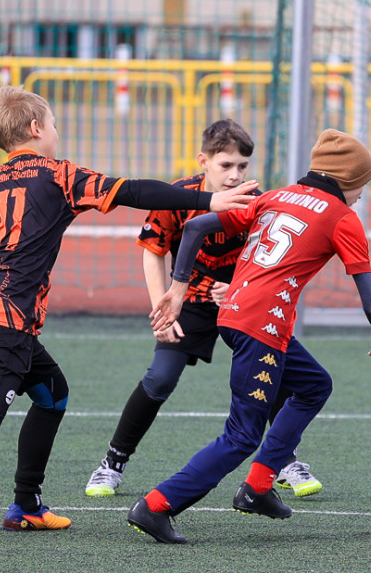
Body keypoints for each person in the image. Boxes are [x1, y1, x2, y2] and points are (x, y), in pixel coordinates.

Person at [0, 86, 258, 539]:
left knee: (52, 394)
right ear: (36, 128)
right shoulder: (59, 175)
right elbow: (134, 190)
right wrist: (207, 201)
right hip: (5, 316)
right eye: (55, 124)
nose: (58, 132)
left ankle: (26, 504)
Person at [126, 129, 371, 543]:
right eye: (362, 185)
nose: (361, 195)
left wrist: (179, 287)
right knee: (241, 435)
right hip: (261, 327)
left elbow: (198, 225)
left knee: (313, 385)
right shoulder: (343, 217)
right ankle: (156, 505)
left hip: (234, 315)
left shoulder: (276, 196)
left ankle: (257, 487)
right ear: (348, 180)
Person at [85, 119, 322, 499]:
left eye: (242, 166)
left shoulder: (256, 199)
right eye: (226, 165)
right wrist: (162, 309)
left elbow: (266, 260)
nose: (235, 175)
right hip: (189, 301)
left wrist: (236, 288)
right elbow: (153, 253)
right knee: (160, 378)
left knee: (274, 372)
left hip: (243, 304)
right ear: (204, 161)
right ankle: (112, 462)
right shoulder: (179, 197)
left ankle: (282, 460)